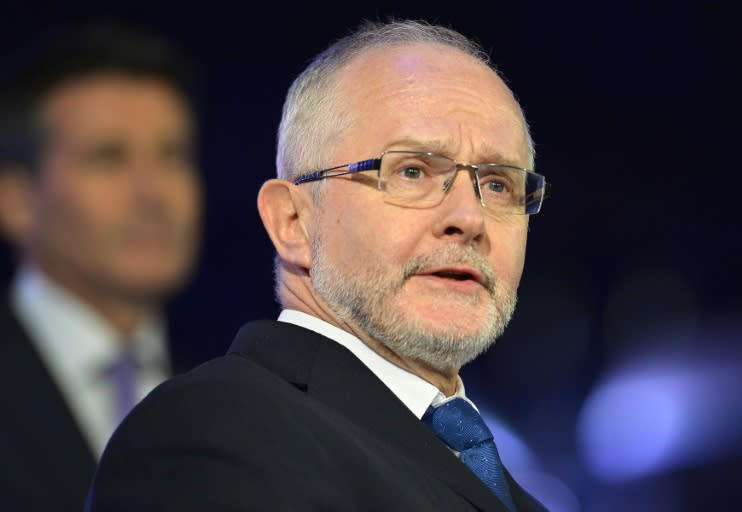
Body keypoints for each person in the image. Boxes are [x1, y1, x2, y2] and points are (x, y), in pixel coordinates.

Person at [86, 20, 548, 511]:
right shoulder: (217, 431)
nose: (470, 217)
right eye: (412, 171)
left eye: (498, 184)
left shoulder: (519, 497)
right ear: (292, 222)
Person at [0, 26, 202, 511]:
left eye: (173, 155)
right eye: (108, 157)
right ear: (17, 199)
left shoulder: (229, 390)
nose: (154, 192)